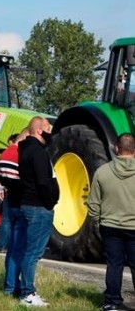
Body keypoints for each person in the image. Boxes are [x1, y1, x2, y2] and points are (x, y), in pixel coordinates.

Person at [86, 133, 135, 311]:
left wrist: (98, 221)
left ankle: (111, 303)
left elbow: (93, 203)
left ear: (117, 148)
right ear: (134, 150)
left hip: (110, 226)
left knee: (114, 265)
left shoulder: (102, 171)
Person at [14, 116, 58, 307]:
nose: (50, 133)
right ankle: (27, 293)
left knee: (27, 250)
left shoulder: (24, 150)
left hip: (29, 204)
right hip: (39, 207)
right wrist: (50, 202)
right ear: (39, 131)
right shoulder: (38, 152)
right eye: (48, 129)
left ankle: (25, 289)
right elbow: (43, 181)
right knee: (33, 253)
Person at [0, 130, 28, 296]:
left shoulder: (5, 153)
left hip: (11, 202)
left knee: (12, 248)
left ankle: (9, 283)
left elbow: (4, 180)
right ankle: (11, 287)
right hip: (21, 203)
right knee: (18, 248)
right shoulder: (20, 155)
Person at [0, 133, 20, 252]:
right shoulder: (20, 154)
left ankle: (1, 245)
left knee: (6, 219)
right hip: (18, 190)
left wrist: (0, 188)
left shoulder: (4, 154)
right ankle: (12, 246)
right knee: (17, 221)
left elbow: (0, 174)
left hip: (7, 190)